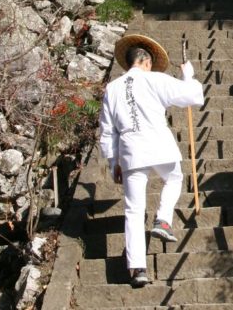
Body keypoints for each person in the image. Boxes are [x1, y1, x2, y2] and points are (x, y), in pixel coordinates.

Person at [99, 34, 204, 288]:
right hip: (158, 144)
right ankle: (163, 218)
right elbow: (193, 96)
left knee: (133, 210)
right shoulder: (155, 79)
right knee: (175, 177)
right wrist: (188, 75)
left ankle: (138, 269)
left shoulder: (112, 88)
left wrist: (113, 162)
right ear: (145, 61)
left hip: (130, 151)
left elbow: (106, 131)